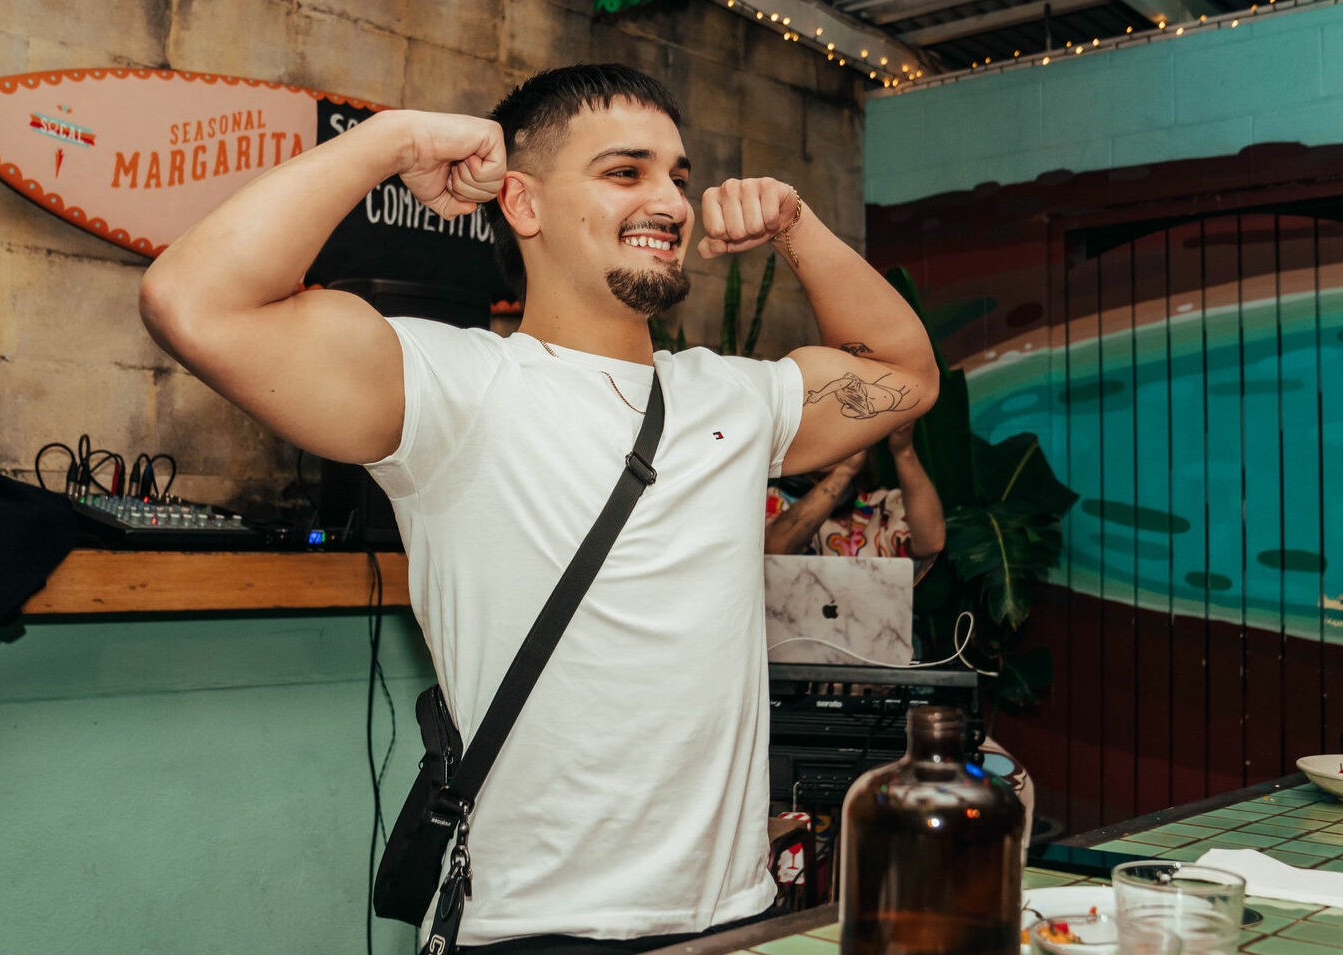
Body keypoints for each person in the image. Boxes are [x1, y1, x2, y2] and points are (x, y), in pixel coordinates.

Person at [139, 64, 935, 953]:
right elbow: (193, 301)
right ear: (522, 203)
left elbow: (905, 374)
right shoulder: (455, 387)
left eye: (677, 174)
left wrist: (793, 223)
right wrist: (392, 139)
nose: (670, 200)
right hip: (537, 928)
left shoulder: (736, 399)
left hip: (732, 917)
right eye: (624, 172)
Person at [763, 421, 945, 580]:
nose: (831, 440)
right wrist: (845, 471)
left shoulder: (882, 505)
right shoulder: (776, 499)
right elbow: (774, 549)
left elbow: (932, 542)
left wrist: (903, 451)